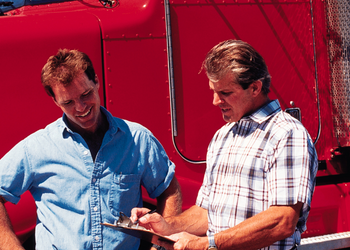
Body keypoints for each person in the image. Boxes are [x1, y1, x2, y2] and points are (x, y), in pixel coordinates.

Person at [131, 40, 318, 250]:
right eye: (214, 91)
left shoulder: (287, 133)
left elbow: (282, 221)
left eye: (225, 93)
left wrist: (208, 244)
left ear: (255, 87)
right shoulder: (223, 136)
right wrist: (166, 225)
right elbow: (206, 213)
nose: (215, 101)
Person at [0, 49, 182, 250]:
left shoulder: (137, 139)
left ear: (96, 81)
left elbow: (168, 189)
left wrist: (163, 245)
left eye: (85, 94)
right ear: (54, 101)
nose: (80, 107)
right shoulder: (36, 148)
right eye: (68, 102)